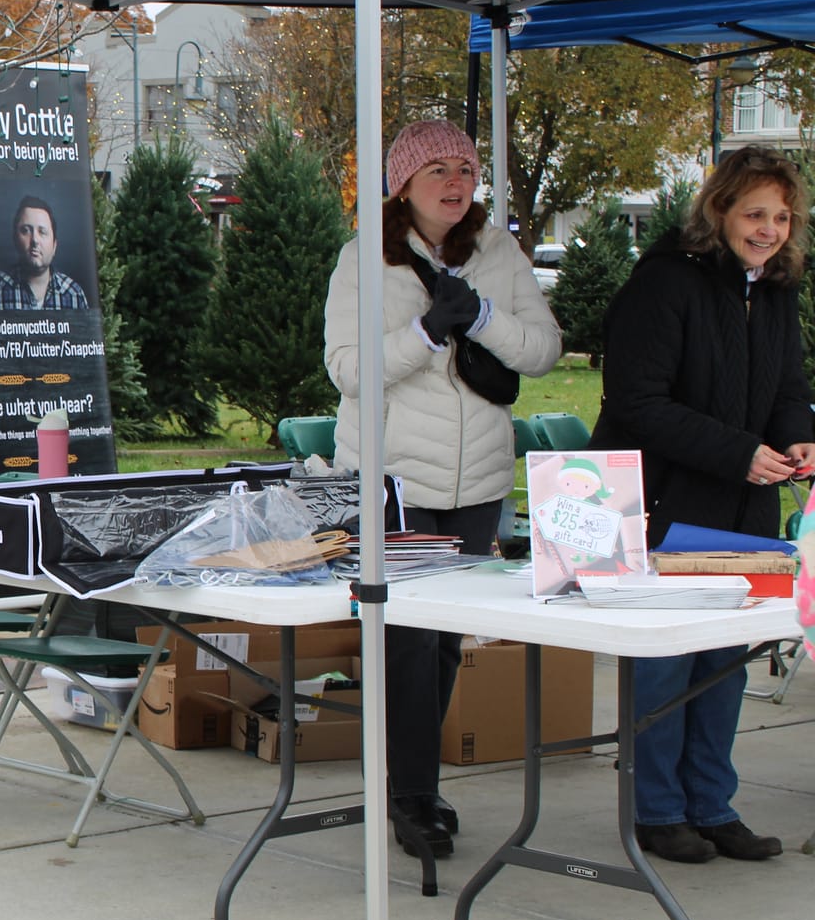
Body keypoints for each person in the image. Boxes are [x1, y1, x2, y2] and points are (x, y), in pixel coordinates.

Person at [324, 119, 562, 858]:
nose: (456, 182)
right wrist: (428, 331)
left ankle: (413, 784)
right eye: (438, 172)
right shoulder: (366, 259)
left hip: (479, 477)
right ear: (403, 186)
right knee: (408, 641)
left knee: (447, 640)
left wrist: (483, 317)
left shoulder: (499, 251)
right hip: (395, 478)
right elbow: (349, 368)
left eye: (465, 168)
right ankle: (410, 796)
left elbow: (546, 348)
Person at [590, 144, 813, 864]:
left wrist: (797, 439)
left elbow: (785, 387)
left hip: (745, 514)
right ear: (718, 210)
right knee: (664, 662)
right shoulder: (662, 283)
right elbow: (636, 400)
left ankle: (712, 803)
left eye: (781, 216)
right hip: (664, 506)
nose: (768, 228)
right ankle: (656, 810)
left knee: (725, 662)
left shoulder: (775, 291)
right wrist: (737, 452)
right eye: (754, 212)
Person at [0, 195, 90, 309]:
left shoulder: (74, 295)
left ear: (54, 245)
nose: (34, 240)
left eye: (42, 232)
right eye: (26, 230)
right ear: (15, 239)